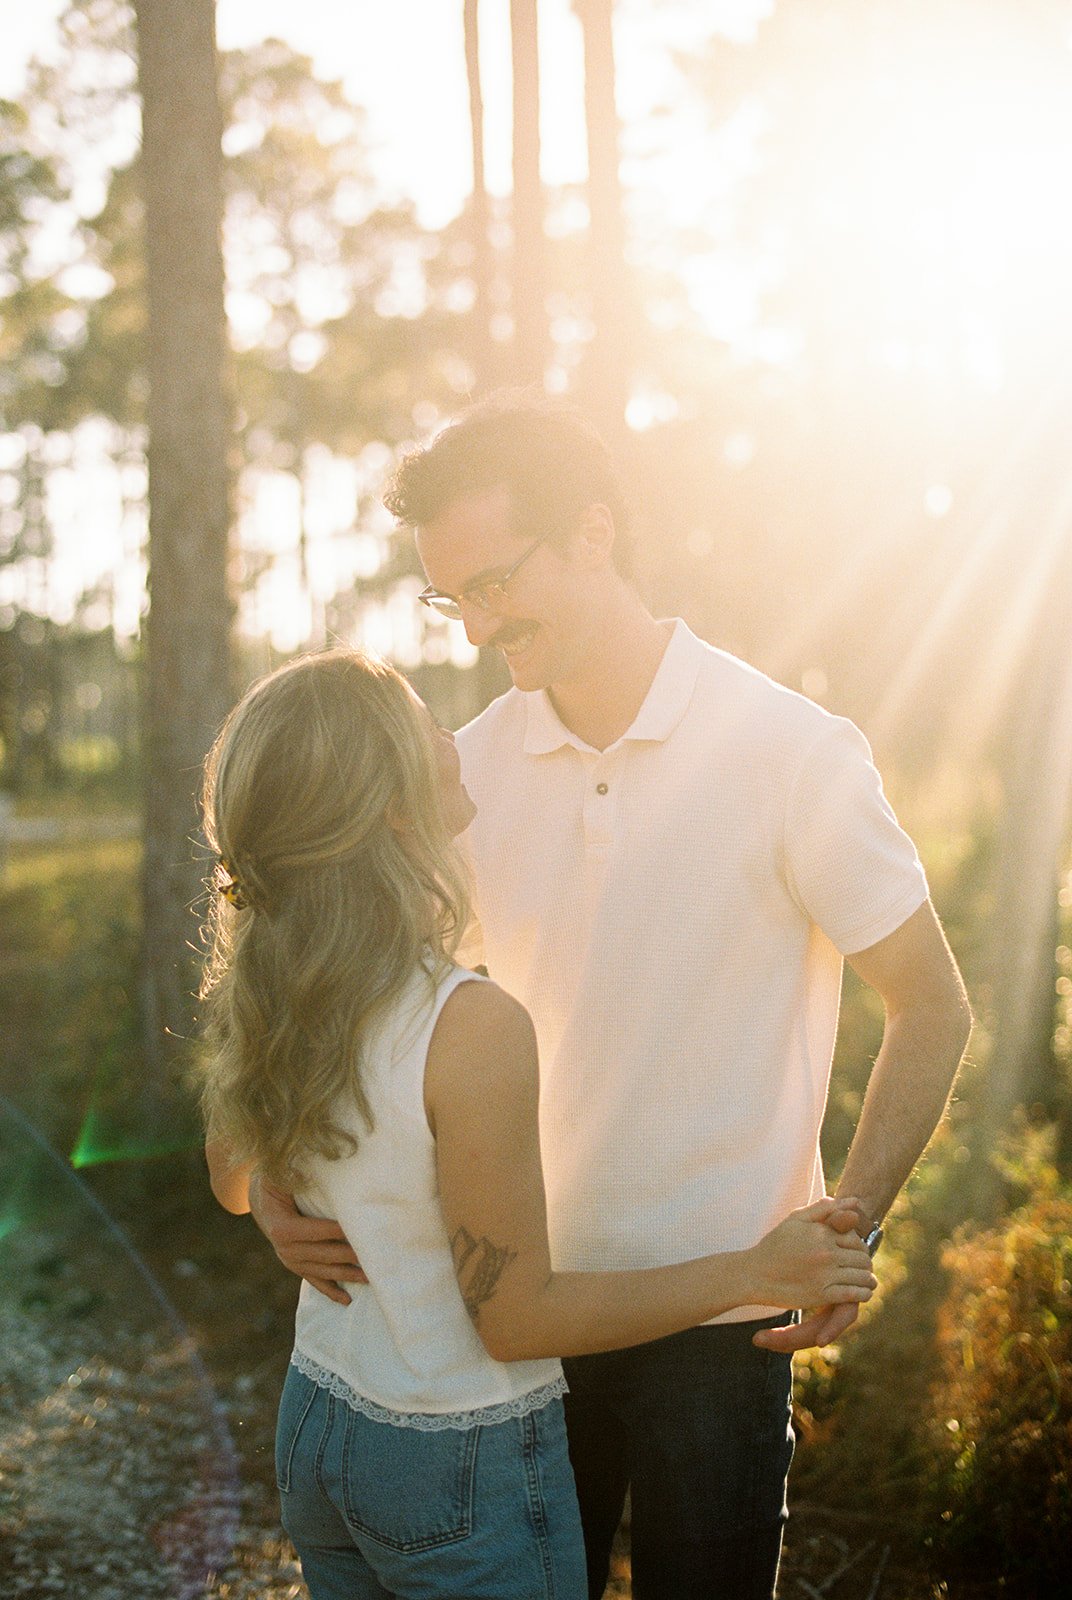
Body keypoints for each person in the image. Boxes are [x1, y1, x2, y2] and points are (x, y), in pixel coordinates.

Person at [251, 393, 973, 1600]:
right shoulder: (461, 770)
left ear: (592, 534)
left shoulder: (790, 750)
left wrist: (847, 1226)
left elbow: (930, 1004)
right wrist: (275, 1178)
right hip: (514, 1330)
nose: (478, 624)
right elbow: (347, 992)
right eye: (453, 597)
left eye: (494, 582)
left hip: (723, 1323)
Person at [199, 647, 878, 1600]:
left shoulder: (283, 978)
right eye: (425, 726)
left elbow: (230, 1172)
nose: (455, 739)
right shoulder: (466, 1024)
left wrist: (278, 1204)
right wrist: (753, 1271)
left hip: (321, 1422)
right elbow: (514, 1319)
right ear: (389, 803)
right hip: (453, 1458)